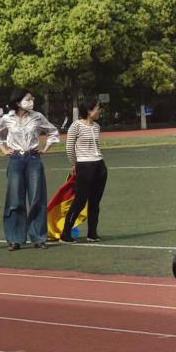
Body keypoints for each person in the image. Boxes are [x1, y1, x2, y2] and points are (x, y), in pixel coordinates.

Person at [0, 88, 59, 250]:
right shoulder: (7, 118)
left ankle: (38, 237)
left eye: (32, 98)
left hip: (33, 158)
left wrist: (45, 149)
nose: (31, 101)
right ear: (18, 102)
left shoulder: (37, 116)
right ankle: (15, 238)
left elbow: (53, 131)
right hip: (15, 160)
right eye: (28, 98)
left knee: (37, 198)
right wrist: (5, 150)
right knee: (15, 199)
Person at [62, 96, 107, 243]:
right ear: (88, 110)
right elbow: (69, 148)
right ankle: (65, 234)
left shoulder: (96, 126)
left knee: (95, 202)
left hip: (99, 165)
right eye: (97, 108)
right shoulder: (76, 126)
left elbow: (97, 147)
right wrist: (75, 164)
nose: (99, 111)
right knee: (80, 202)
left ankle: (92, 233)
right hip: (84, 166)